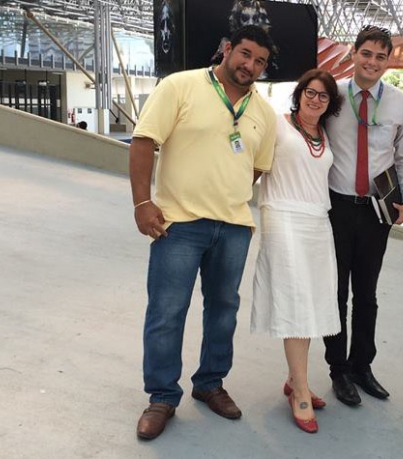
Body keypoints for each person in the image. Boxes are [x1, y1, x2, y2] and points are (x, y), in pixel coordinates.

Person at [129, 25, 277, 440]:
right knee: (166, 311)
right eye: (245, 54)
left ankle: (210, 383)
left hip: (234, 228)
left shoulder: (263, 113)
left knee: (223, 311)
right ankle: (162, 396)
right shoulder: (180, 86)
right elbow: (143, 141)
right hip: (178, 223)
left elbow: (257, 167)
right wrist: (142, 203)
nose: (250, 65)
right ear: (227, 49)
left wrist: (225, 191)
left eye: (260, 61)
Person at [324, 25, 403, 406]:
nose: (372, 62)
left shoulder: (399, 102)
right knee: (335, 292)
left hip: (377, 210)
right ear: (354, 53)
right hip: (336, 206)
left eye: (380, 56)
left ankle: (362, 365)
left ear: (388, 61)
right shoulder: (331, 94)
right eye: (366, 53)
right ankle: (338, 369)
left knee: (367, 293)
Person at [251, 69, 343, 433]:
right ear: (299, 93)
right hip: (282, 214)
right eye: (310, 92)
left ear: (329, 103)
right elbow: (253, 163)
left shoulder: (325, 134)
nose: (315, 99)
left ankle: (295, 379)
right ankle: (301, 390)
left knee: (312, 301)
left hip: (317, 221)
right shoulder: (277, 124)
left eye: (323, 95)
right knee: (295, 301)